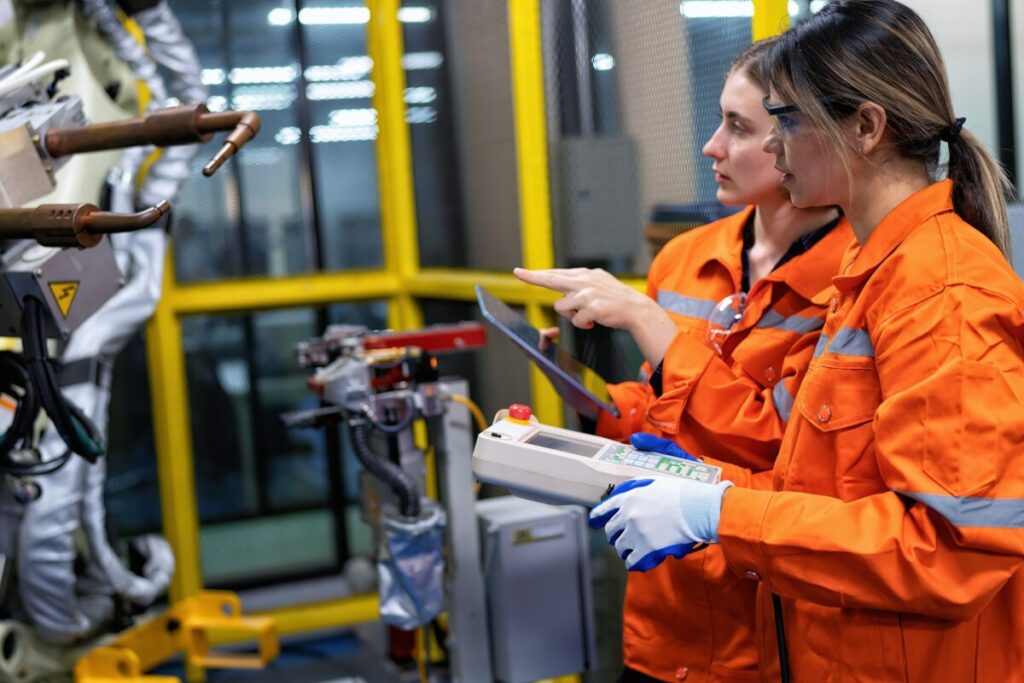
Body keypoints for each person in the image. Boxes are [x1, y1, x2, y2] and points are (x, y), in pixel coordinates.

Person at [588, 1, 1024, 680]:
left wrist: (717, 513)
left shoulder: (941, 288)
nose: (773, 145)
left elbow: (949, 550)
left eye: (785, 119)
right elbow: (826, 487)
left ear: (866, 126)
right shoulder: (873, 270)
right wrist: (695, 483)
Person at [516, 39, 852, 683]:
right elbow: (660, 414)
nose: (712, 147)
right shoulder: (685, 258)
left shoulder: (853, 281)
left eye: (738, 127)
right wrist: (597, 414)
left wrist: (648, 323)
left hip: (770, 628)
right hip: (664, 616)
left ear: (801, 139)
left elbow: (785, 449)